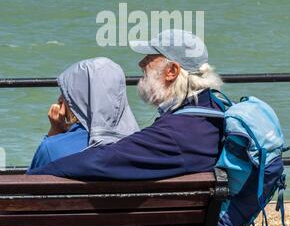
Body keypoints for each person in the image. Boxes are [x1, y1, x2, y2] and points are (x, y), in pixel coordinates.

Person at [28, 30, 224, 178]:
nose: (141, 64)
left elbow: (101, 161)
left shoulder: (176, 133)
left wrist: (38, 176)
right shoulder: (216, 111)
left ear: (171, 71)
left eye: (149, 58)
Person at [28, 57, 140, 171]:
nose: (60, 99)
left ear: (77, 99)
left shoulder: (51, 149)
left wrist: (55, 132)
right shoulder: (140, 146)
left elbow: (29, 185)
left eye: (66, 94)